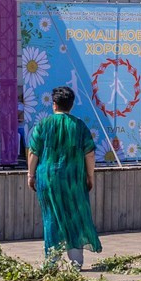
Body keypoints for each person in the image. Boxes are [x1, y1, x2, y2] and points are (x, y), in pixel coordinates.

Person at [25, 85, 101, 268]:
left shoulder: (43, 125)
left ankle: (52, 260)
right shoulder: (79, 126)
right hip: (74, 179)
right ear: (71, 105)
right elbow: (89, 154)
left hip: (48, 178)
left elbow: (33, 152)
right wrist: (90, 176)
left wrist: (30, 175)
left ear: (54, 105)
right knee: (75, 214)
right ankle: (76, 261)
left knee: (51, 216)